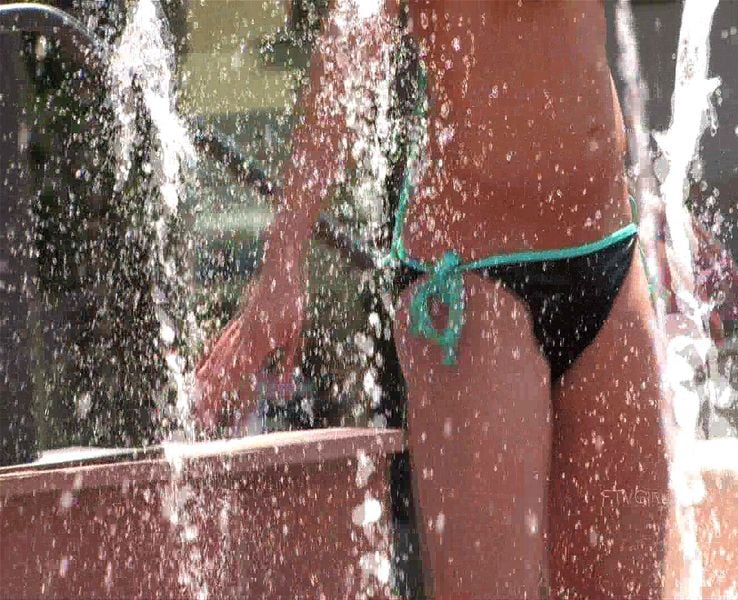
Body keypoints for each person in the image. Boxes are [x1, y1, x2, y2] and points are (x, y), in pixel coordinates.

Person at [196, 1, 669, 597]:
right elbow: (353, 33)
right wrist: (281, 269)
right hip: (474, 280)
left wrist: (661, 209)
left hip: (609, 253)